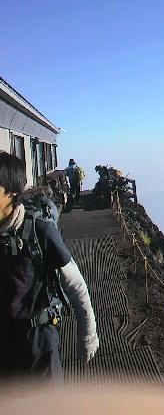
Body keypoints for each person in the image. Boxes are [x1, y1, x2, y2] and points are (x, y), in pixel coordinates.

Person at [0, 151, 99, 382]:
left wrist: (88, 335)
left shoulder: (39, 231)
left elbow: (75, 284)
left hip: (38, 341)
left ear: (11, 191)